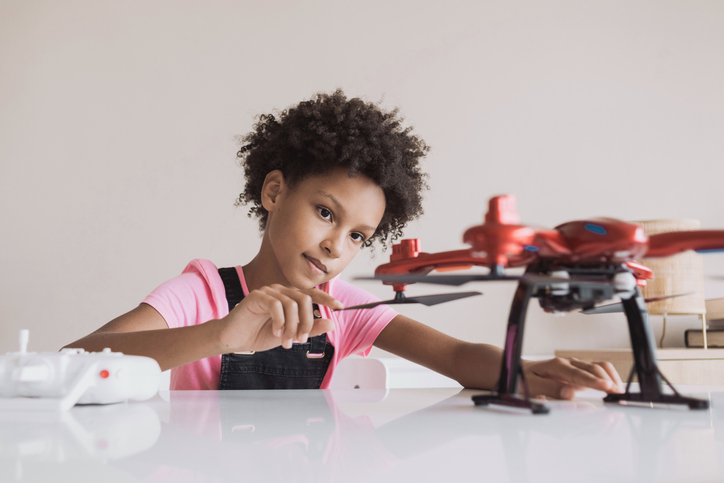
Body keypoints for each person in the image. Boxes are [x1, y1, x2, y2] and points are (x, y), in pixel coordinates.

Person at [64, 90, 624, 398]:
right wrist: (221, 335)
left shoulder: (345, 311)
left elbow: (455, 357)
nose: (336, 245)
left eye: (357, 235)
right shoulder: (200, 294)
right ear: (275, 190)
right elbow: (73, 361)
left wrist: (524, 370)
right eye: (325, 213)